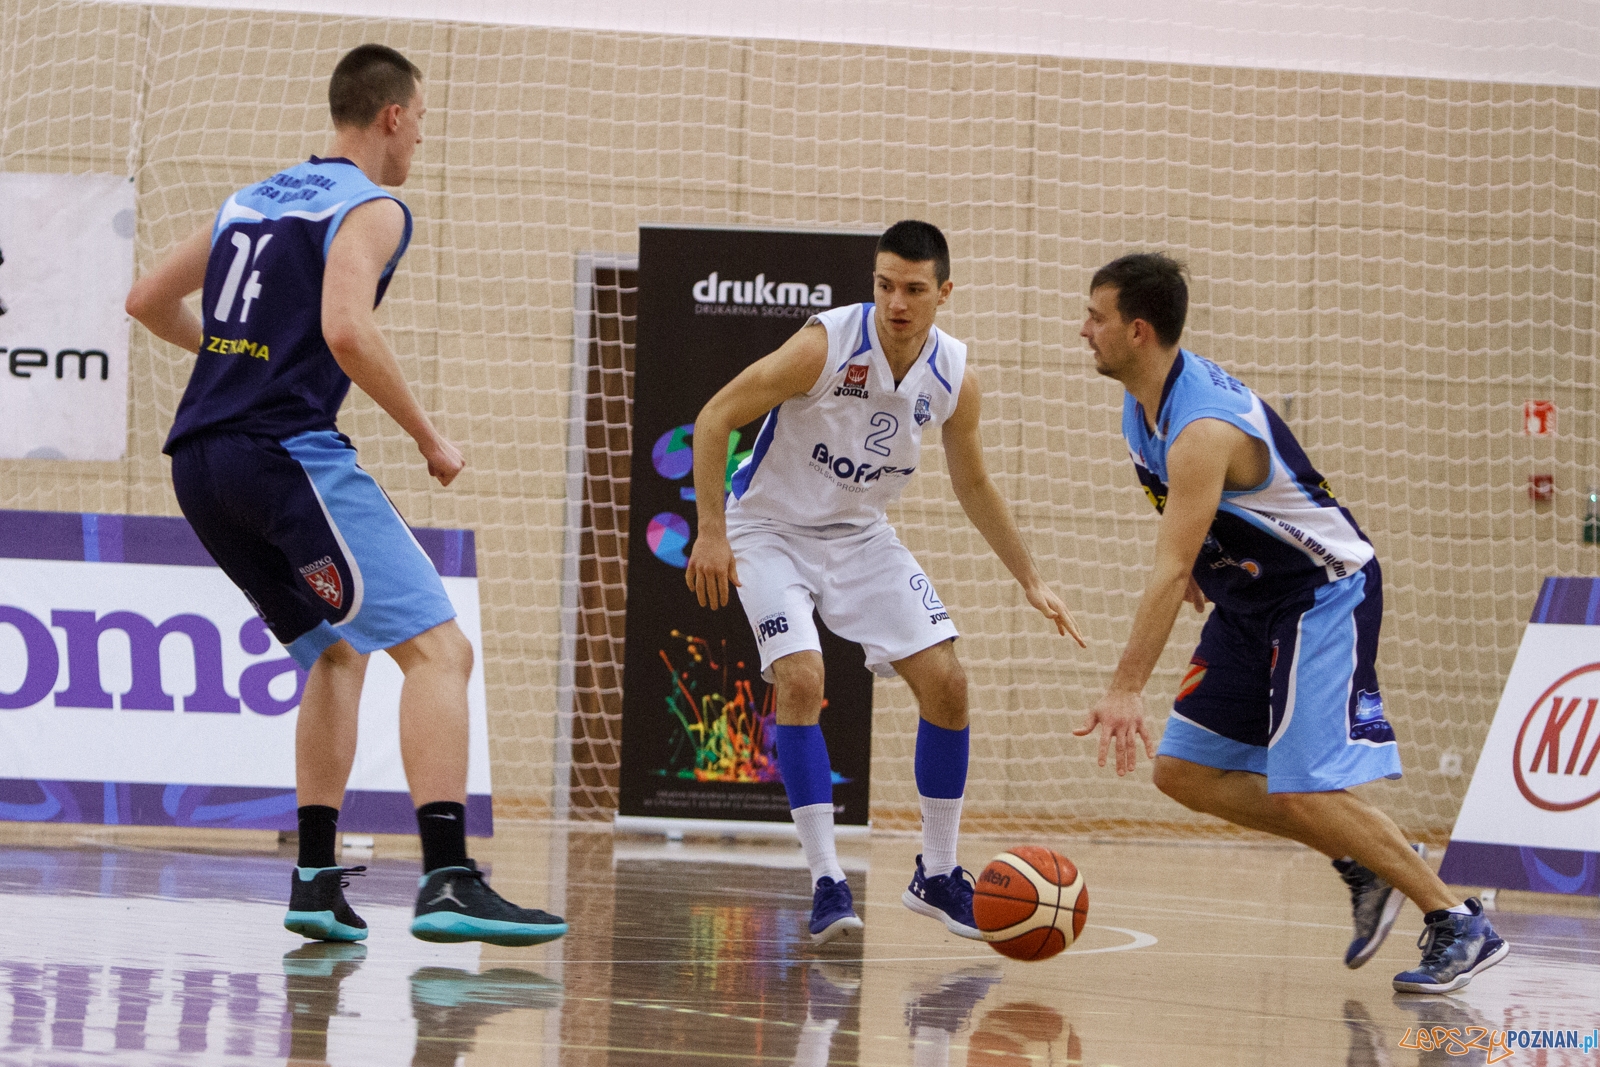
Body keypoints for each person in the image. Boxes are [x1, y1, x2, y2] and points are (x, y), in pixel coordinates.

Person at [124, 44, 565, 948]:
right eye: (423, 119)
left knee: (335, 653)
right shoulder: (373, 206)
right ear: (393, 115)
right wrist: (428, 436)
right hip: (286, 453)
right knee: (441, 650)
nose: (422, 141)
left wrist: (235, 361)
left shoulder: (253, 199)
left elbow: (144, 300)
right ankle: (447, 876)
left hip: (200, 462)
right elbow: (345, 329)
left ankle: (316, 879)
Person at [1075, 252, 1507, 993]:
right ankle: (1364, 857)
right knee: (1184, 771)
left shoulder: (1200, 425)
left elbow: (1168, 564)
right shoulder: (1141, 402)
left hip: (1320, 592)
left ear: (1137, 330)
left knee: (1301, 785)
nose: (1083, 329)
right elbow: (1187, 527)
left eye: (1095, 315)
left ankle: (1458, 918)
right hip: (1252, 599)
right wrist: (1209, 567)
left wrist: (1125, 687)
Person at [686, 220, 1084, 944]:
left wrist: (1031, 577)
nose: (895, 302)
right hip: (768, 527)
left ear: (944, 294)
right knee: (802, 678)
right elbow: (715, 417)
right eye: (884, 285)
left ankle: (936, 873)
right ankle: (827, 880)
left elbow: (975, 482)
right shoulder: (826, 344)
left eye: (913, 289)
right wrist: (712, 532)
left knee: (949, 683)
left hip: (860, 533)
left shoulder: (956, 375)